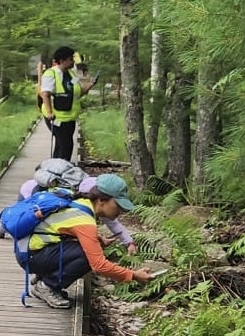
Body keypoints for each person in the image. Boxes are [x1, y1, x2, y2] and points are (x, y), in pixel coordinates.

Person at [25, 174, 153, 308]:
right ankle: (48, 285)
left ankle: (44, 277)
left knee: (90, 249)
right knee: (87, 256)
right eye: (118, 205)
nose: (120, 210)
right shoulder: (85, 220)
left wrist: (97, 239)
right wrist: (133, 275)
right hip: (33, 256)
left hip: (33, 251)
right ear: (101, 201)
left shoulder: (82, 204)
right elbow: (99, 265)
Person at [39, 45, 95, 161]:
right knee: (66, 145)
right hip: (56, 118)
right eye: (70, 59)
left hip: (70, 118)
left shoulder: (72, 74)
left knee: (61, 144)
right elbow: (45, 94)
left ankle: (56, 170)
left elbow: (77, 93)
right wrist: (49, 113)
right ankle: (62, 169)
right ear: (62, 61)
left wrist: (90, 85)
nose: (73, 61)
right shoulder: (51, 74)